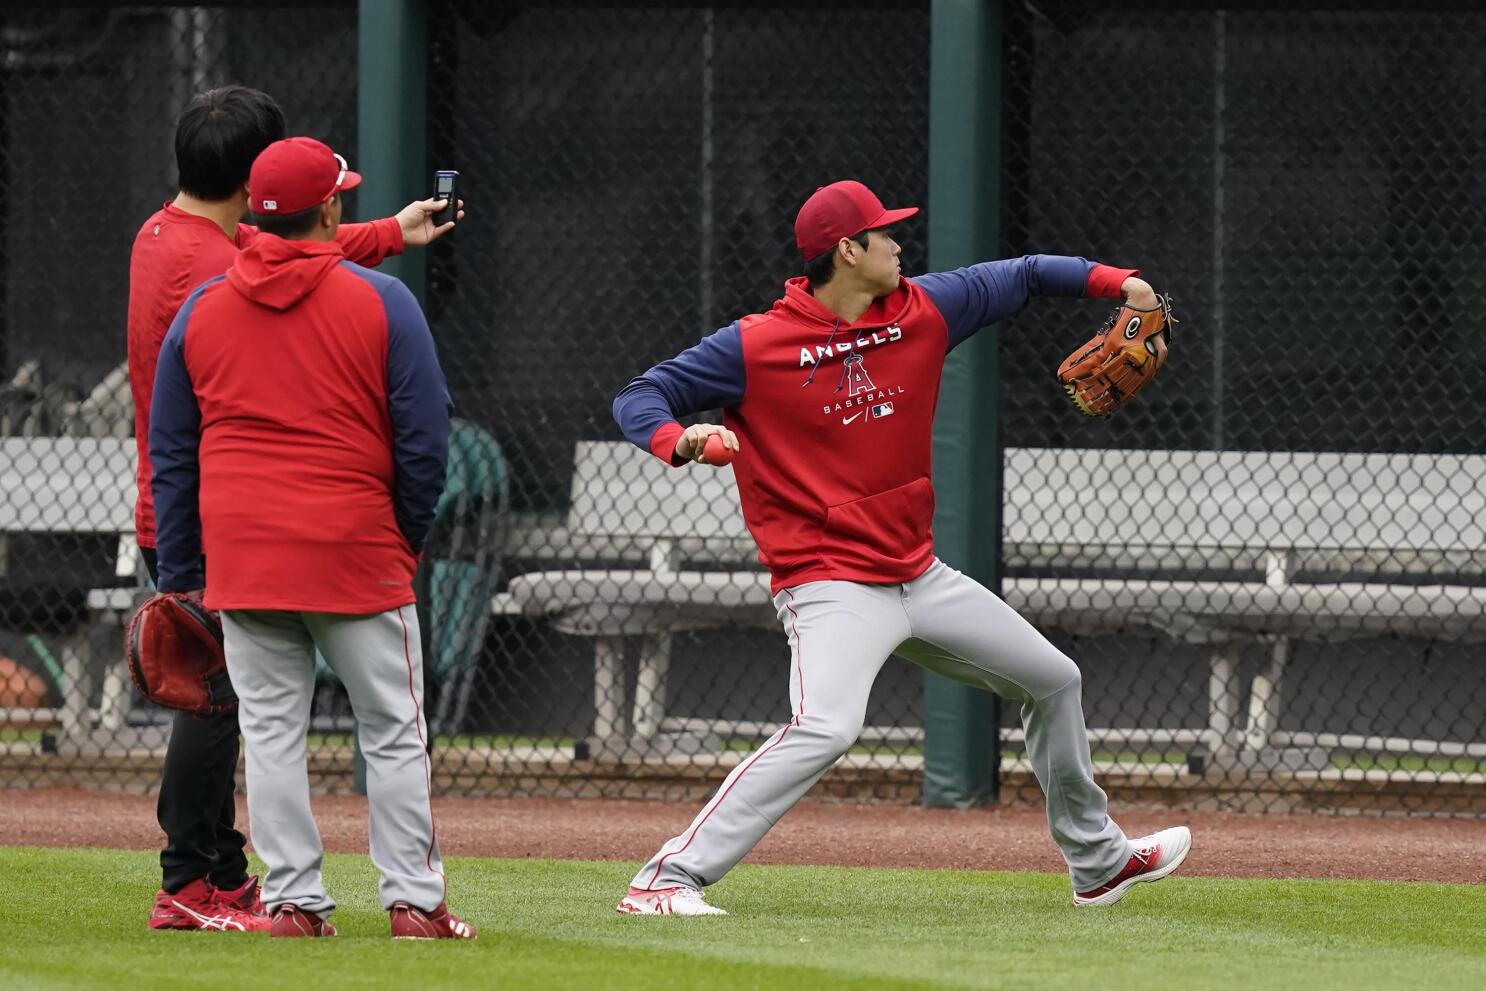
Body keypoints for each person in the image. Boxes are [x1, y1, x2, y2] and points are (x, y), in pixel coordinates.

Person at [611, 179, 1192, 915]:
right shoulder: (757, 344)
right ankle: (666, 878)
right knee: (827, 725)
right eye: (883, 233)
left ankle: (1100, 861)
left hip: (918, 574)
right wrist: (681, 437)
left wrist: (1127, 284)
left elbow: (1026, 272)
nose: (897, 242)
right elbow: (639, 395)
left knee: (1054, 678)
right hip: (829, 582)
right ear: (847, 251)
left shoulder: (925, 308)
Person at [130, 85, 461, 933]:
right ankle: (414, 905)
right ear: (324, 210)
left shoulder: (202, 299)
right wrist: (404, 539)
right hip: (354, 551)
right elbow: (426, 446)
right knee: (390, 732)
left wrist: (186, 569)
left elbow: (172, 451)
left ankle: (295, 904)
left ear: (254, 212)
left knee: (272, 736)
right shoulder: (385, 302)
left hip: (245, 559)